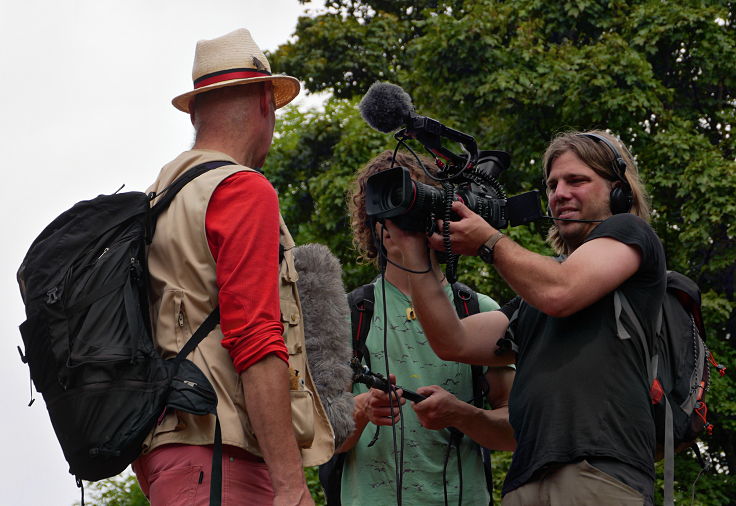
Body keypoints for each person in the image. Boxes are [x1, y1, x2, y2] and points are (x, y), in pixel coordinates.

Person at [386, 131, 666, 505]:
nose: (559, 193)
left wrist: (488, 240)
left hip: (599, 470)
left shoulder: (631, 233)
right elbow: (452, 341)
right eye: (552, 184)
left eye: (577, 180)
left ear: (619, 191)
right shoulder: (533, 300)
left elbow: (560, 291)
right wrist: (412, 250)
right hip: (525, 478)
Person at [131, 28, 334, 506]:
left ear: (196, 112)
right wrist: (289, 483)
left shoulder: (160, 197)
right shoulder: (240, 189)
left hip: (172, 458)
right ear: (266, 102)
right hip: (225, 458)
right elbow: (255, 337)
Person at [337, 150, 516, 505]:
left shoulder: (479, 311)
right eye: (390, 208)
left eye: (414, 206)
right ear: (373, 223)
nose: (402, 220)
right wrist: (361, 409)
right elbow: (318, 441)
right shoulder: (349, 314)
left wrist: (463, 415)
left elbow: (517, 431)